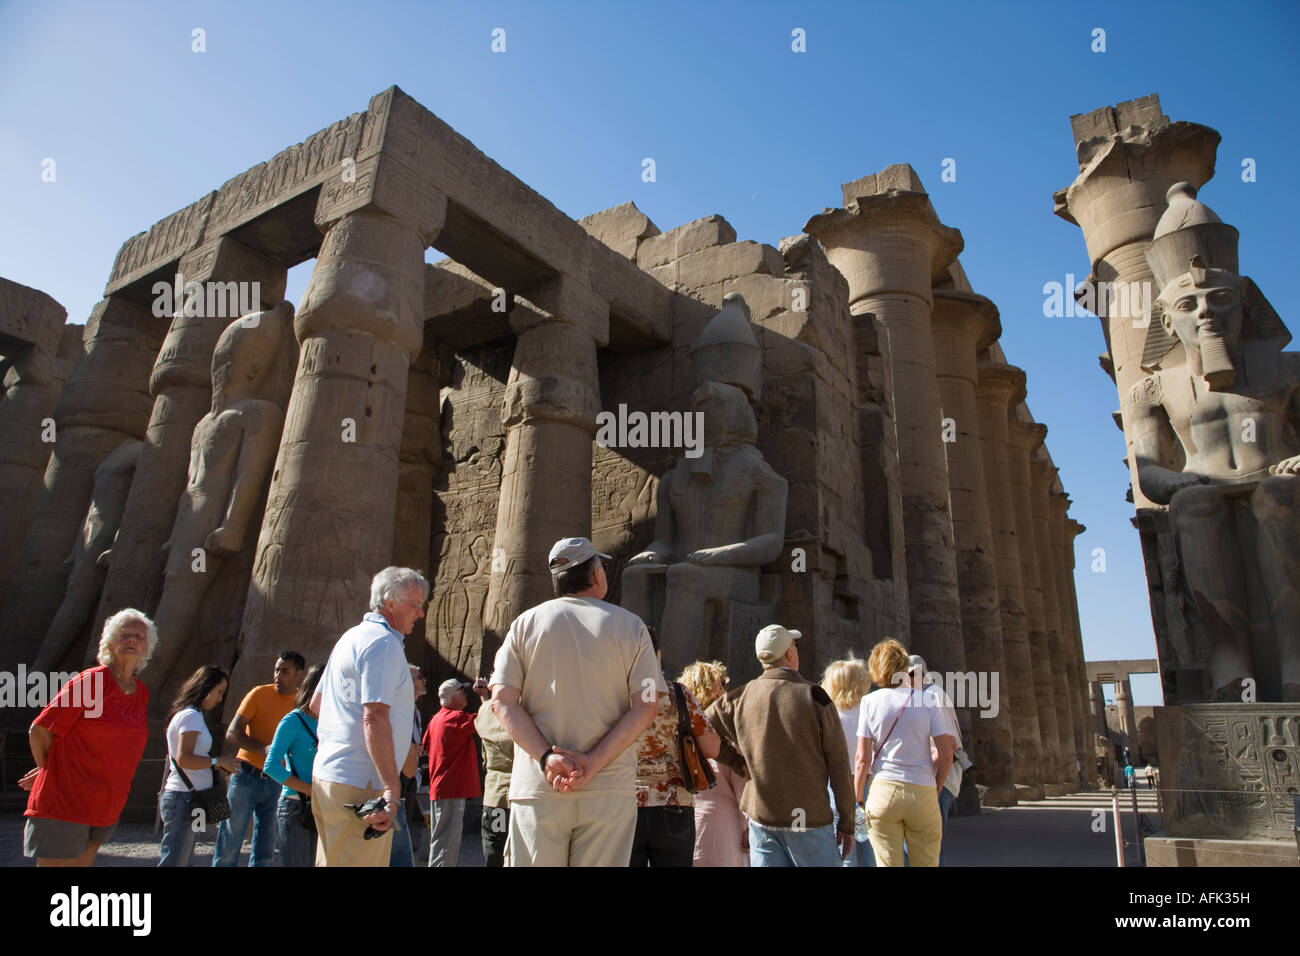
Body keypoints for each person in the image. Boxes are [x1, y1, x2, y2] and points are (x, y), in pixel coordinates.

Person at [489, 536, 661, 867]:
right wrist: (594, 762)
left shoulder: (525, 624)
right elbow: (647, 706)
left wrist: (546, 758)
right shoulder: (631, 627)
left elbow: (502, 701)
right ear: (596, 575)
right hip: (607, 787)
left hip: (540, 786)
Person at [706, 624, 855, 867]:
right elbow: (839, 765)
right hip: (809, 818)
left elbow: (702, 725)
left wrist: (736, 762)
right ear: (789, 654)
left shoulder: (741, 696)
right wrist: (847, 823)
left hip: (762, 816)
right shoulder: (815, 697)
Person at [21, 609, 156, 867]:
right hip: (66, 802)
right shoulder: (91, 682)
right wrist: (47, 768)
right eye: (124, 634)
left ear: (148, 646)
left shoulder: (141, 693)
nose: (131, 640)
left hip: (106, 805)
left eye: (138, 636)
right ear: (109, 642)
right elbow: (40, 730)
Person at [311, 566, 423, 867]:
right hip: (363, 784)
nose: (420, 613)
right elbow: (374, 716)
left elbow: (317, 704)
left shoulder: (350, 637)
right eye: (415, 605)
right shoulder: (383, 644)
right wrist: (391, 786)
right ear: (390, 603)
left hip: (331, 776)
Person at [854, 638, 955, 868]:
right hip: (922, 789)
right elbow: (947, 753)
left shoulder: (869, 702)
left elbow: (862, 759)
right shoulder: (926, 699)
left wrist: (858, 798)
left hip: (883, 790)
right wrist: (937, 786)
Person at [630, 628, 720, 867]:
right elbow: (712, 748)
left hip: (624, 804)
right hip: (674, 804)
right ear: (657, 654)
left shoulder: (614, 696)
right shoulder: (679, 694)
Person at [213, 650, 304, 867]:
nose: (278, 675)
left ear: (298, 674)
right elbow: (233, 732)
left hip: (279, 781)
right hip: (245, 774)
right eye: (276, 670)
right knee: (230, 840)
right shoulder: (259, 694)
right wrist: (264, 750)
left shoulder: (302, 704)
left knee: (266, 848)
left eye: (285, 671)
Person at [160, 664, 239, 866]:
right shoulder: (191, 716)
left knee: (185, 859)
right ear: (206, 687)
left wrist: (218, 764)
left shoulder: (195, 716)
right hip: (184, 797)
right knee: (176, 860)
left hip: (194, 798)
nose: (220, 699)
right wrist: (217, 761)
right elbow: (184, 759)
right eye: (219, 692)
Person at [679, 661, 747, 867]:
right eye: (723, 686)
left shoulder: (675, 732)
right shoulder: (724, 738)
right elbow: (744, 785)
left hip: (680, 828)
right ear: (715, 692)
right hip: (721, 831)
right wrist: (752, 828)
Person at [264, 664, 324, 868]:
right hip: (295, 806)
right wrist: (308, 790)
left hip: (321, 805)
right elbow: (271, 766)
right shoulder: (292, 721)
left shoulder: (328, 722)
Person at [424, 677, 489, 866]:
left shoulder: (436, 719)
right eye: (462, 692)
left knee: (440, 838)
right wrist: (484, 696)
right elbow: (487, 721)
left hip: (441, 787)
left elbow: (427, 747)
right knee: (447, 841)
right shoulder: (455, 718)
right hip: (451, 788)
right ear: (453, 698)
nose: (466, 694)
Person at [908, 653, 966, 866]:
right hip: (932, 778)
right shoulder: (922, 695)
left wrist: (934, 784)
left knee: (928, 845)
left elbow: (946, 747)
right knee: (924, 845)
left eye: (911, 675)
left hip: (939, 779)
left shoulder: (932, 695)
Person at [820, 656, 874, 867]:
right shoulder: (869, 713)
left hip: (836, 785)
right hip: (867, 784)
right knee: (871, 847)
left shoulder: (828, 714)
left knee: (843, 849)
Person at [475, 675, 515, 867]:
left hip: (494, 793)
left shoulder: (484, 710)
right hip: (521, 792)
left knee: (494, 850)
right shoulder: (521, 712)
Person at [392, 664, 426, 867]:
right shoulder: (397, 710)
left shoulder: (415, 712)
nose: (424, 681)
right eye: (419, 677)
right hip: (396, 784)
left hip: (408, 782)